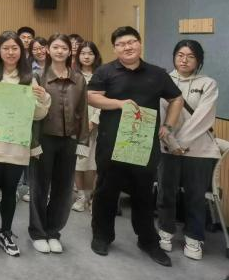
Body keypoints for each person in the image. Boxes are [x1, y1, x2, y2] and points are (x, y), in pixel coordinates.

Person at [88, 26, 184, 267]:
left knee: (143, 194)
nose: (127, 47)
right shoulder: (105, 71)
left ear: (140, 43)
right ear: (115, 49)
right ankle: (102, 236)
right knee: (106, 191)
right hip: (111, 143)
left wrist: (168, 126)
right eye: (121, 44)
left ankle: (147, 240)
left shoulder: (157, 73)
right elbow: (91, 97)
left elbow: (176, 98)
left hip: (143, 145)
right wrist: (118, 104)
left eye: (131, 42)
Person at [0, 31, 50, 257]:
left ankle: (6, 232)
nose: (10, 52)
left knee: (10, 191)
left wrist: (43, 98)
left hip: (17, 145)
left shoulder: (28, 78)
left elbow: (38, 115)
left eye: (14, 48)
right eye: (5, 48)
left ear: (21, 51)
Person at [158, 39, 220, 260]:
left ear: (199, 60)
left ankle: (194, 238)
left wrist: (180, 143)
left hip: (198, 150)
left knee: (195, 195)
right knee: (166, 192)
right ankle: (165, 232)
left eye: (191, 56)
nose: (184, 60)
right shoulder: (163, 80)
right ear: (174, 57)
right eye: (180, 55)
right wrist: (171, 144)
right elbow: (160, 115)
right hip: (168, 148)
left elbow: (202, 118)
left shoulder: (208, 84)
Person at [28, 34, 89, 254]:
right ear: (48, 50)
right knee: (39, 187)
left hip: (69, 140)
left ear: (70, 51)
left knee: (63, 190)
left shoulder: (79, 78)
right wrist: (33, 142)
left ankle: (53, 231)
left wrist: (83, 140)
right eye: (55, 47)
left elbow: (83, 111)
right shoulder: (38, 76)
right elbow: (32, 111)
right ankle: (38, 232)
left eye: (64, 47)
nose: (60, 51)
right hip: (43, 138)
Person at [72, 41, 102, 213]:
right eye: (83, 53)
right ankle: (81, 196)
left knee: (94, 163)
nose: (86, 56)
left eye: (90, 53)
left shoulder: (102, 75)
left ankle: (93, 198)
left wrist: (94, 121)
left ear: (95, 56)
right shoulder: (72, 75)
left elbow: (105, 99)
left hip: (97, 126)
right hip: (77, 126)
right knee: (78, 162)